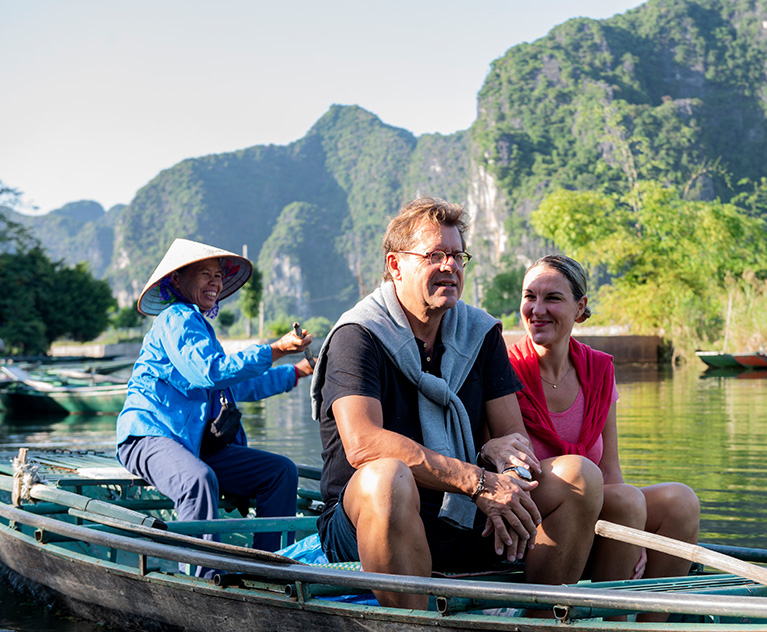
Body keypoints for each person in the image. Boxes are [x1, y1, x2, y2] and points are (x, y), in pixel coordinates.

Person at [310, 197, 603, 609]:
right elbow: (364, 445)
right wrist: (477, 481)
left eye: (457, 255)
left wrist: (509, 484)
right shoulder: (358, 336)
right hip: (369, 525)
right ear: (395, 266)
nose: (450, 266)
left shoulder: (480, 333)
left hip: (467, 518)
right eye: (435, 255)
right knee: (387, 477)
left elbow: (512, 437)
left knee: (580, 476)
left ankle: (539, 628)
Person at [116, 238, 314, 578]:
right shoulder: (175, 319)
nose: (215, 282)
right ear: (177, 280)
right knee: (198, 480)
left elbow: (235, 384)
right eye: (204, 274)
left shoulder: (200, 327)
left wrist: (294, 372)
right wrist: (276, 349)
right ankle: (203, 578)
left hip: (193, 444)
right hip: (150, 436)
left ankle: (270, 567)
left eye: (218, 276)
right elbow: (210, 371)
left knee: (281, 472)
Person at [508, 255, 700, 591]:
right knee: (585, 474)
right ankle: (597, 621)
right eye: (529, 296)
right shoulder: (505, 369)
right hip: (534, 504)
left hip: (589, 495)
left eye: (552, 298)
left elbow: (609, 470)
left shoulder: (599, 369)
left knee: (679, 501)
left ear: (580, 308)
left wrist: (635, 531)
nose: (537, 310)